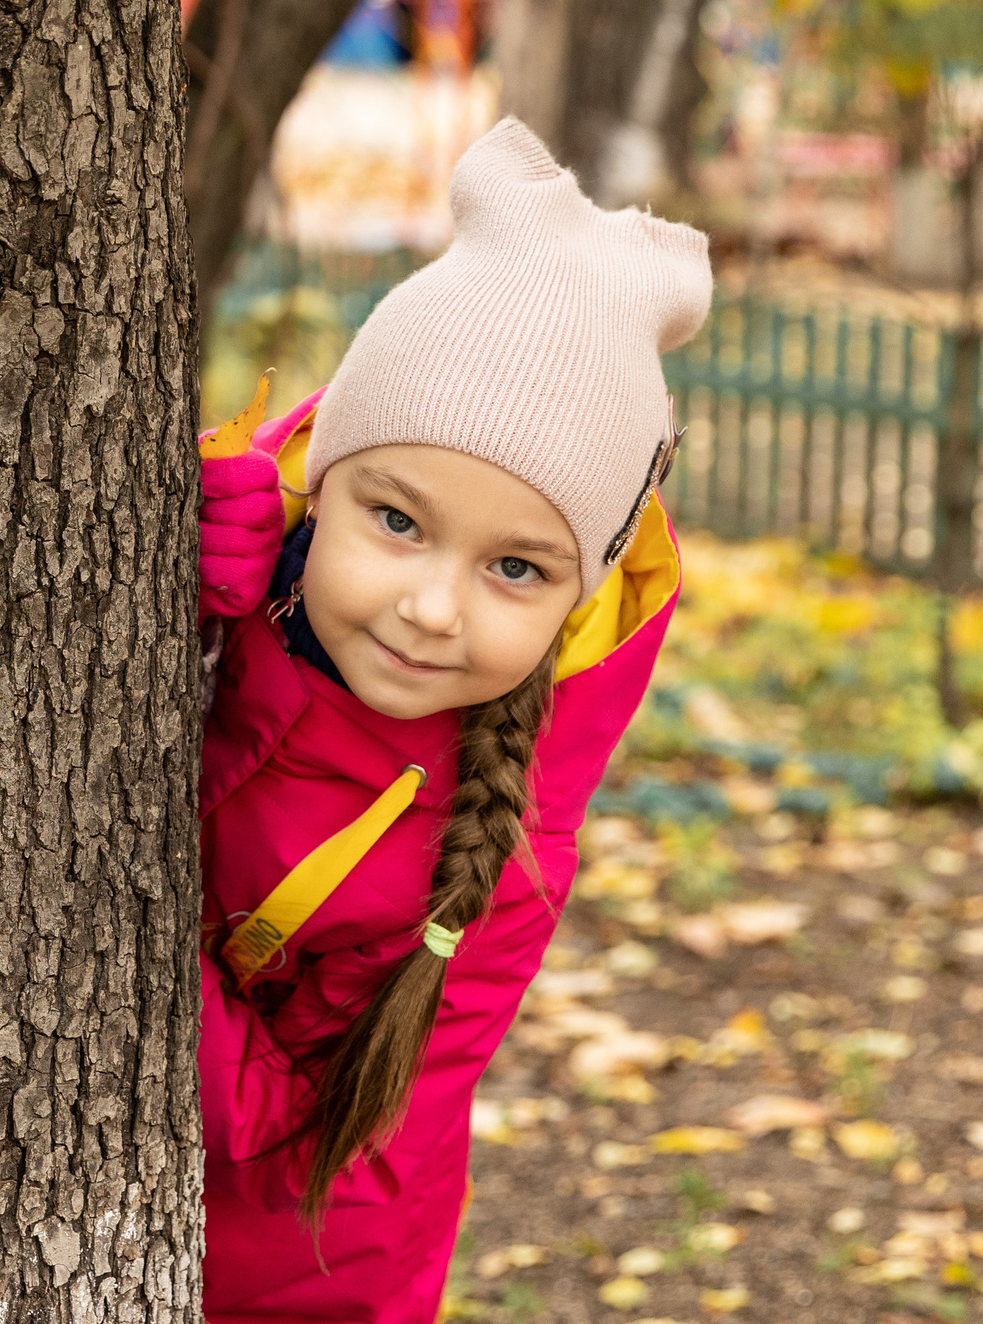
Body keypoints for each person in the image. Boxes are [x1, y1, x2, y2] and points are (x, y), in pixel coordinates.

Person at [192, 118, 713, 1323]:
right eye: (400, 523)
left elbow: (292, 1131)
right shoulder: (243, 575)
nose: (432, 609)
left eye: (517, 571)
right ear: (325, 486)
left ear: (575, 595)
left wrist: (107, 932)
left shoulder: (495, 865)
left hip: (307, 1278)